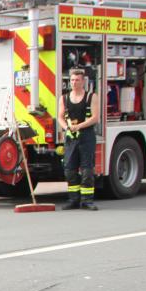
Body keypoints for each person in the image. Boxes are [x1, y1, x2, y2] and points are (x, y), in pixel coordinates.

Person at [57, 68, 101, 210]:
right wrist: (66, 127)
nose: (74, 83)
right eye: (72, 80)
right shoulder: (64, 98)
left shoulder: (91, 97)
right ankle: (73, 199)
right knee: (69, 170)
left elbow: (95, 118)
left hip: (86, 137)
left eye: (77, 80)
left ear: (83, 81)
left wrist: (80, 126)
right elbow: (60, 116)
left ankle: (87, 201)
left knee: (87, 170)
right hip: (71, 139)